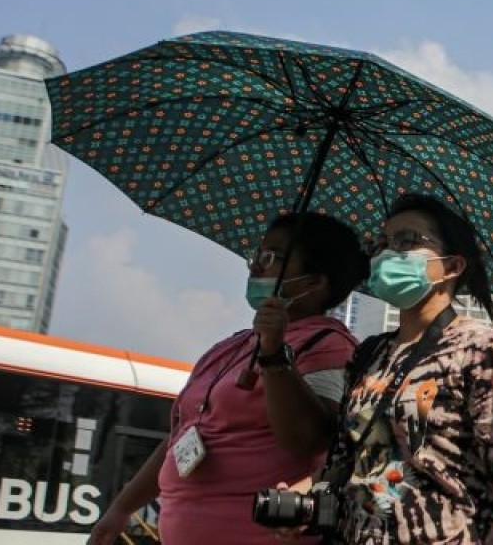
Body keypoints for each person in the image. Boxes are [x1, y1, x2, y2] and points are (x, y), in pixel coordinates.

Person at [289, 193, 493, 545]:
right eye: (382, 242)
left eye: (407, 241)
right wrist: (302, 499)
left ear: (452, 267)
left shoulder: (484, 353)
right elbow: (348, 462)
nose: (387, 253)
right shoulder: (369, 354)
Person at [88, 211, 368, 545]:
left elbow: (308, 439)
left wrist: (274, 355)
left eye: (271, 258)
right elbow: (182, 437)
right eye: (256, 255)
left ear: (313, 283)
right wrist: (123, 506)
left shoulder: (329, 345)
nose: (255, 267)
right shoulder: (228, 347)